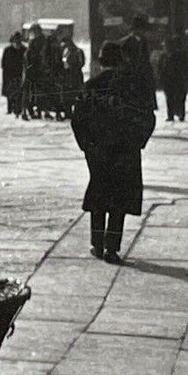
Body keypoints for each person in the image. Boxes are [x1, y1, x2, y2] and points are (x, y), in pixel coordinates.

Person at [71, 40, 156, 261]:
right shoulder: (132, 87)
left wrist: (86, 145)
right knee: (119, 196)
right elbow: (148, 117)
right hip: (125, 150)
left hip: (97, 150)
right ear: (121, 61)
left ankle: (97, 244)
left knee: (99, 194)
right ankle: (112, 247)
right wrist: (138, 141)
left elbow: (77, 120)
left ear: (101, 61)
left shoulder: (90, 86)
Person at [120, 14, 157, 113]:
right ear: (136, 29)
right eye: (142, 29)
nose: (143, 31)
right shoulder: (126, 42)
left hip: (143, 75)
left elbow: (145, 58)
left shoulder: (143, 41)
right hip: (131, 75)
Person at [159, 32, 188, 122]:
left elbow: (185, 66)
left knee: (179, 97)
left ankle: (180, 114)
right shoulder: (164, 56)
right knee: (170, 98)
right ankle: (171, 115)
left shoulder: (179, 55)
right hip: (169, 80)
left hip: (178, 79)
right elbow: (160, 68)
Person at [60, 27, 86, 116]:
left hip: (69, 76)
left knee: (68, 95)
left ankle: (68, 112)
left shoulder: (66, 52)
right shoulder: (78, 51)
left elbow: (64, 64)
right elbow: (82, 63)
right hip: (76, 75)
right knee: (75, 94)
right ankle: (73, 112)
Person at [0, 31, 26, 116]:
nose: (17, 41)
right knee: (10, 93)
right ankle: (10, 108)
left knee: (18, 92)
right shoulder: (8, 50)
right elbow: (3, 63)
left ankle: (17, 109)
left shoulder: (24, 49)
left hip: (19, 74)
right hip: (9, 74)